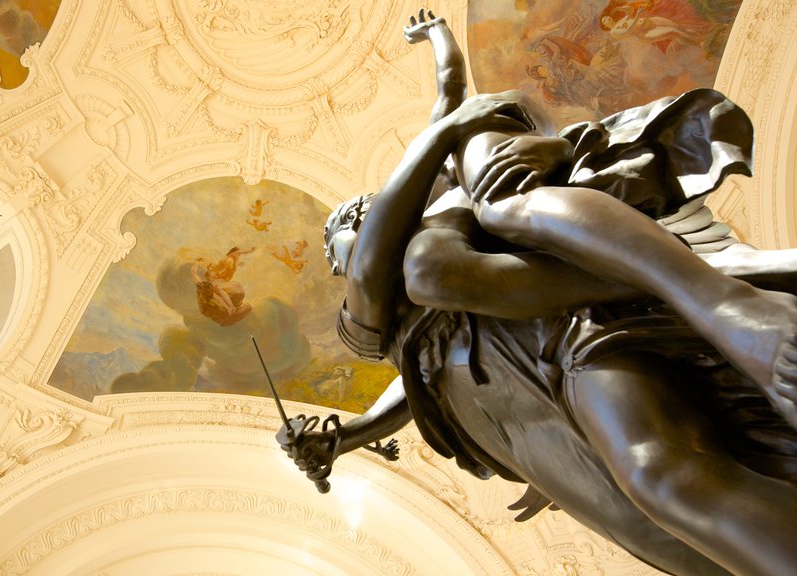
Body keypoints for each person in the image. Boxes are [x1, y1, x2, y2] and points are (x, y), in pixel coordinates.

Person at [284, 11, 797, 576]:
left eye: (346, 230)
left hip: (549, 327)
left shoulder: (431, 224)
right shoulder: (378, 314)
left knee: (665, 475)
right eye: (339, 253)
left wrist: (438, 41)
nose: (343, 257)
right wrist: (344, 436)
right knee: (668, 527)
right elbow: (409, 381)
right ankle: (696, 286)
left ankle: (713, 295)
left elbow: (450, 101)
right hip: (510, 405)